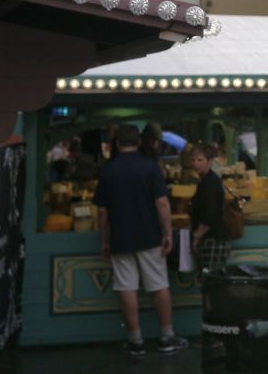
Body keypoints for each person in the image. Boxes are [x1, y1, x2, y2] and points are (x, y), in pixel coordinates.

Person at [94, 124, 189, 358]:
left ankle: (136, 341)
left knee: (126, 288)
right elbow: (162, 203)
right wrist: (168, 233)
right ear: (138, 142)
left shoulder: (108, 170)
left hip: (120, 237)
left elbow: (102, 211)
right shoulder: (150, 167)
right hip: (149, 236)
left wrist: (104, 240)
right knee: (158, 285)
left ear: (117, 143)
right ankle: (167, 336)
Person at [189, 143, 230, 272]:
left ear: (210, 162)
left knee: (211, 278)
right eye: (193, 160)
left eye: (200, 160)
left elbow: (210, 214)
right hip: (211, 239)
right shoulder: (206, 181)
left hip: (213, 239)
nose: (195, 163)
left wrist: (197, 236)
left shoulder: (210, 182)